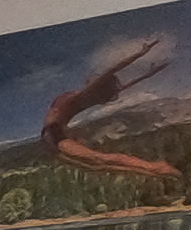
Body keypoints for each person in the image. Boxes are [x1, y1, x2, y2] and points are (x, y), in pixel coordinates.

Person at [40, 37, 178, 178]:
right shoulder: (87, 97)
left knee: (100, 160)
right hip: (53, 135)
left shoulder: (84, 95)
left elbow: (113, 70)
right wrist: (147, 72)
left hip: (54, 134)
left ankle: (156, 168)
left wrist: (141, 55)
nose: (90, 79)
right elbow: (123, 82)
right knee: (98, 165)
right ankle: (156, 171)